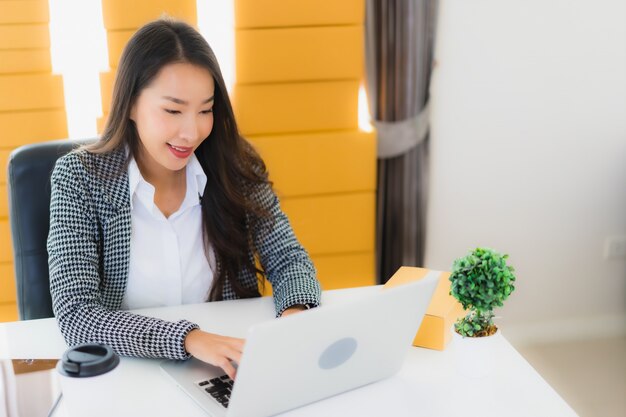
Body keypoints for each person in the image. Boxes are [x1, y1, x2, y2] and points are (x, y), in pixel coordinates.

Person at [47, 17, 321, 379]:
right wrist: (189, 339)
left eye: (205, 110)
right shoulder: (79, 178)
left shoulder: (235, 166)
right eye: (173, 110)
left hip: (227, 369)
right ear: (130, 104)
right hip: (128, 375)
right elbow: (77, 314)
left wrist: (294, 319)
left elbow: (290, 260)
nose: (191, 131)